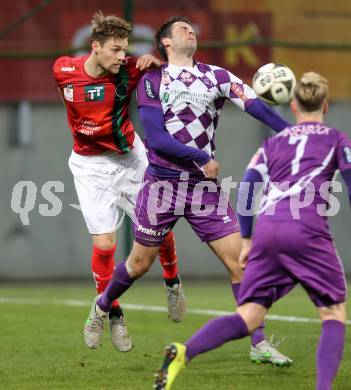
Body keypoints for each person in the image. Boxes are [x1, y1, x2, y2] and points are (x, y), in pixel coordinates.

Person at [84, 16, 292, 365]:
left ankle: (258, 341)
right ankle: (102, 306)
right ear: (165, 42)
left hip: (203, 190)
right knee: (137, 264)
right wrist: (199, 156)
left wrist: (293, 133)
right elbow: (156, 138)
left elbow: (258, 108)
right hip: (162, 184)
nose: (190, 31)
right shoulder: (152, 79)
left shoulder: (218, 76)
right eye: (182, 29)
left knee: (240, 263)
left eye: (192, 28)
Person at [154, 71, 350, 390]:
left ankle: (183, 352)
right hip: (307, 231)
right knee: (332, 313)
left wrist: (246, 238)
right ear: (325, 106)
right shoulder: (337, 139)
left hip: (267, 230)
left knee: (249, 316)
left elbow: (247, 188)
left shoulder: (272, 143)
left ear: (294, 107)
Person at [52, 12, 186, 352]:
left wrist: (152, 61)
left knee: (160, 230)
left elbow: (164, 71)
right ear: (95, 47)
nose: (120, 56)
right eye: (114, 49)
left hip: (130, 159)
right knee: (106, 245)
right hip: (89, 166)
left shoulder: (131, 68)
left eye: (124, 48)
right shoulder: (64, 70)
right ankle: (113, 315)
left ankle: (172, 283)